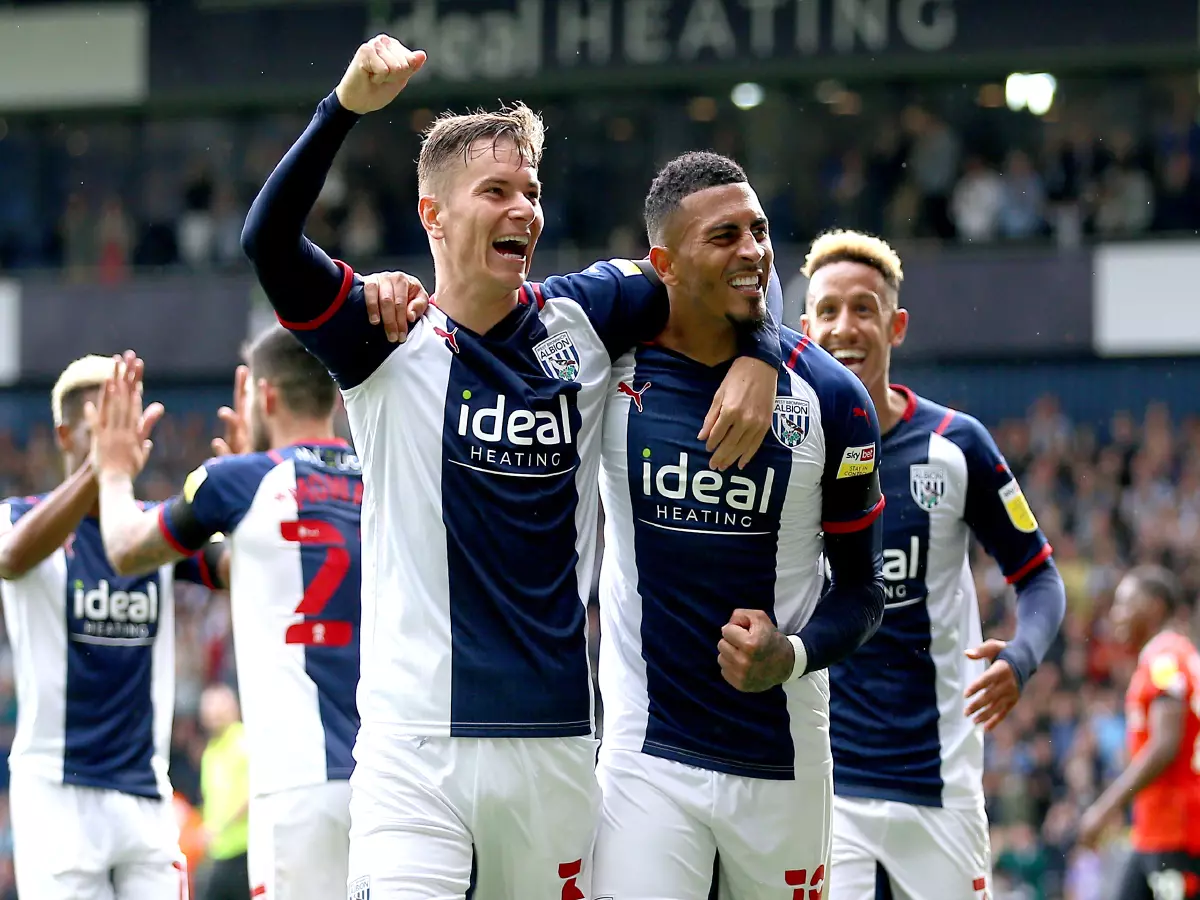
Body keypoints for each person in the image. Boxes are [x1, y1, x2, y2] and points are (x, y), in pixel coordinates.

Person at [239, 33, 782, 900]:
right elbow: (267, 242)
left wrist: (762, 354)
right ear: (433, 215)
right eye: (495, 191)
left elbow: (734, 268)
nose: (524, 210)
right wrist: (341, 108)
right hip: (415, 751)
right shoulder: (381, 337)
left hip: (556, 749)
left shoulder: (591, 312)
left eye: (531, 191)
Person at [589, 151, 886, 900]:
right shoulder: (608, 366)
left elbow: (862, 595)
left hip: (783, 757)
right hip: (645, 753)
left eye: (758, 231)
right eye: (724, 237)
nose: (753, 251)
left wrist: (789, 654)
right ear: (664, 264)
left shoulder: (836, 400)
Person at [798, 229, 1066, 900]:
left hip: (941, 781)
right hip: (828, 785)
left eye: (865, 308)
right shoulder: (787, 447)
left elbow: (1038, 578)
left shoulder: (955, 444)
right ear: (804, 328)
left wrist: (1021, 657)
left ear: (898, 325)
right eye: (827, 311)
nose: (845, 327)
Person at [89, 327, 367, 900]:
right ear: (336, 397)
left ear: (263, 397)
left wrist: (113, 469)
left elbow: (124, 547)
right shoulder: (383, 474)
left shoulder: (236, 481)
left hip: (297, 788)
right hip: (395, 780)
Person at [0, 353, 203, 899]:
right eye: (99, 430)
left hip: (146, 793)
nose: (117, 443)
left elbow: (232, 569)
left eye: (125, 429)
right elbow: (12, 558)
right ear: (65, 436)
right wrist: (103, 467)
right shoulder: (18, 516)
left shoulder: (151, 528)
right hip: (56, 794)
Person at [1079, 566, 1200, 900]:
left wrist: (1107, 807)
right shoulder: (1166, 655)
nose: (1116, 615)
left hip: (1177, 831)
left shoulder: (1166, 656)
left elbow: (1165, 744)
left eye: (1124, 604)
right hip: (1154, 831)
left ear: (1154, 606)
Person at [197, 683, 249, 900]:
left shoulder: (243, 742)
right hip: (220, 851)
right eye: (209, 708)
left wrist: (218, 828)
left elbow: (250, 796)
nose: (213, 713)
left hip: (243, 848)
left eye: (219, 707)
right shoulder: (210, 751)